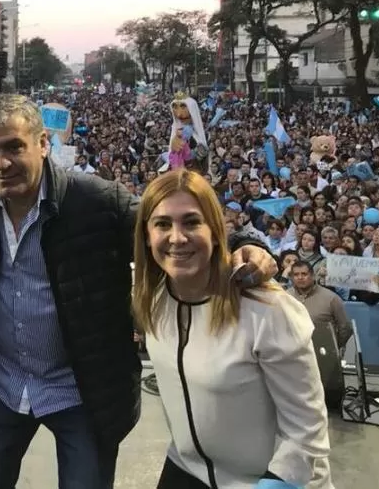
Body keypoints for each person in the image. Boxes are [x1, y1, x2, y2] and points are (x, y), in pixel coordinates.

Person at [0, 94, 278, 488]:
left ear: (43, 143)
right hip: (3, 384)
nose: (1, 163)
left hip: (82, 391)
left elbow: (169, 228)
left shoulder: (95, 200)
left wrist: (249, 245)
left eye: (13, 147)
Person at [133, 169, 332, 488]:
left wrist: (275, 483)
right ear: (146, 235)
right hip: (186, 468)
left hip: (268, 481)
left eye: (192, 222)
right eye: (162, 224)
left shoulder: (267, 309)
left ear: (215, 231)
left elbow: (307, 434)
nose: (177, 237)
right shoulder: (150, 298)